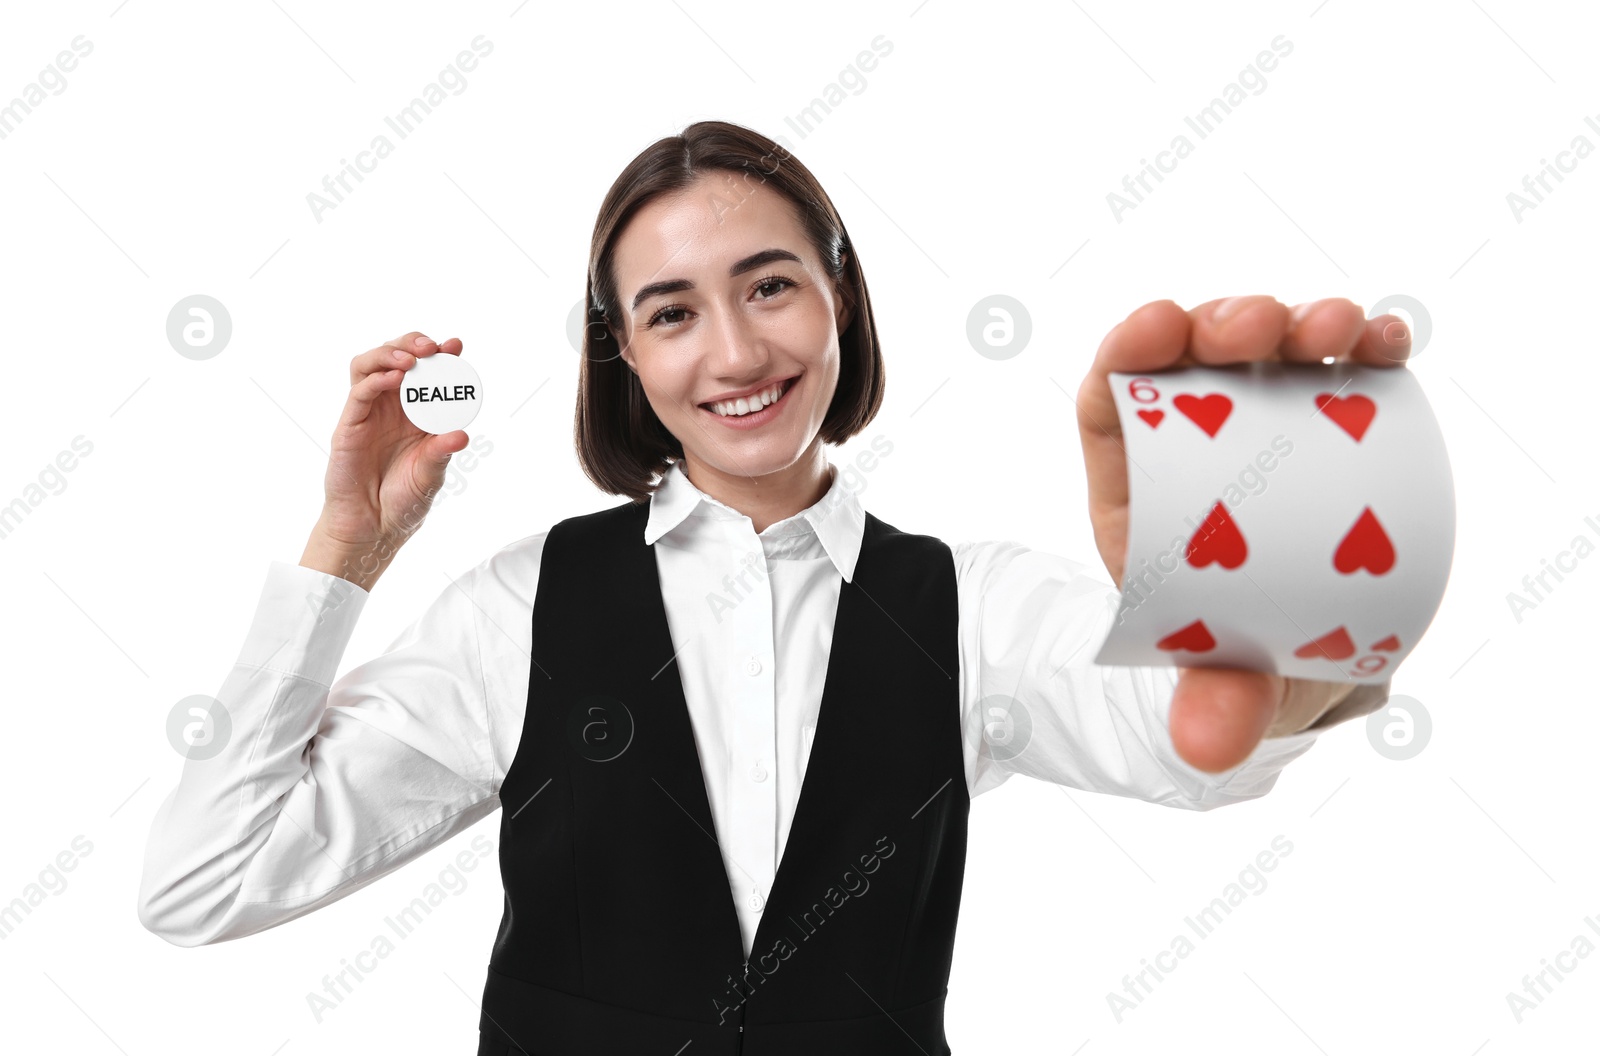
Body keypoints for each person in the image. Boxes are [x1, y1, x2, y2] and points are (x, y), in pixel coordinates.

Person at [137, 120, 1406, 1055]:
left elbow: (1197, 748)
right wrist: (344, 552)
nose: (737, 352)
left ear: (839, 298)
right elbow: (206, 880)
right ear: (623, 355)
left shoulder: (973, 611)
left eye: (770, 286)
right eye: (673, 313)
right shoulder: (516, 609)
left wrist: (1274, 632)